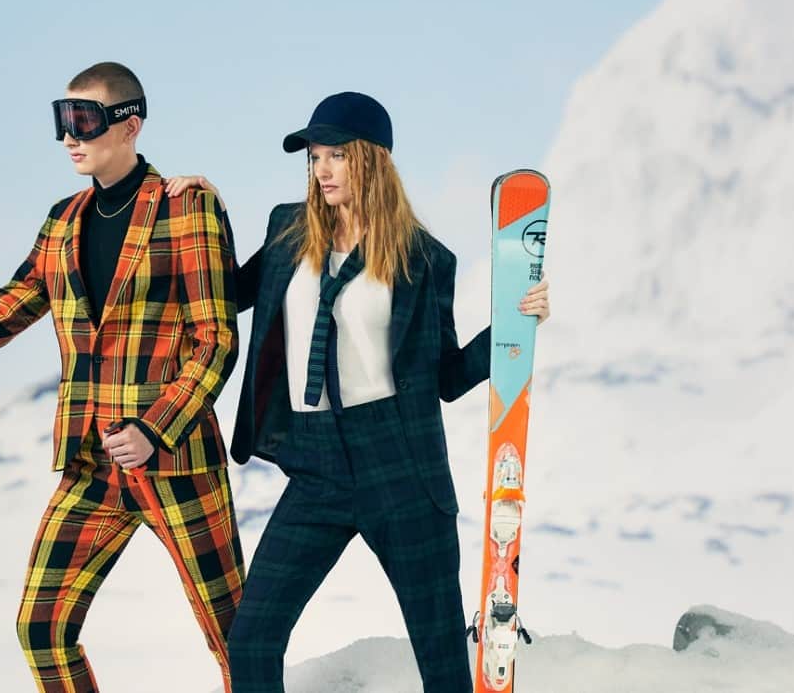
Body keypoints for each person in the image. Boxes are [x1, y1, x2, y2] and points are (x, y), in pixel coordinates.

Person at [0, 62, 243, 693]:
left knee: (237, 641)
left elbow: (216, 341)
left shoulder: (186, 208)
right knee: (41, 630)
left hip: (174, 463)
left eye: (82, 120)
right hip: (91, 465)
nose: (68, 137)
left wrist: (154, 429)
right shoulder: (62, 220)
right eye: (61, 119)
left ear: (129, 124)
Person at [165, 91, 550, 692]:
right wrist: (197, 208)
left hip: (400, 468)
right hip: (315, 468)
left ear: (371, 160)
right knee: (252, 638)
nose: (321, 169)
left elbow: (445, 377)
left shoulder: (423, 260)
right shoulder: (289, 232)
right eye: (314, 156)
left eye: (336, 155)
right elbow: (223, 290)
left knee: (442, 659)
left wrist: (513, 325)